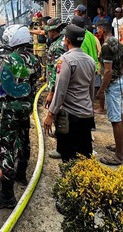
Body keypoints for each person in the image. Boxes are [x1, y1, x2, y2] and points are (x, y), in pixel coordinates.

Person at [0, 25, 41, 208]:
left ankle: (7, 195)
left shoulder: (9, 61)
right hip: (26, 108)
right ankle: (21, 174)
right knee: (24, 139)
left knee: (7, 146)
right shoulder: (35, 60)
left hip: (11, 109)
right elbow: (34, 84)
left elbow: (0, 89)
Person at [43, 24, 97, 162]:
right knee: (85, 154)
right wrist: (89, 106)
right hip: (86, 114)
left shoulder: (66, 60)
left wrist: (51, 114)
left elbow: (60, 90)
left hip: (70, 115)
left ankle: (70, 180)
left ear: (67, 40)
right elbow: (91, 89)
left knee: (68, 156)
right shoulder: (90, 61)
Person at [96, 19, 123, 166]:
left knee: (115, 120)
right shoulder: (117, 41)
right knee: (119, 116)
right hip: (120, 80)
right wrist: (121, 74)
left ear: (102, 29)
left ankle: (119, 156)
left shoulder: (107, 46)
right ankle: (122, 147)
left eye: (98, 29)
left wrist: (101, 90)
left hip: (113, 84)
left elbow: (107, 71)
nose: (97, 31)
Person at [43, 17, 67, 159]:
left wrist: (52, 92)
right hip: (56, 86)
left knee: (58, 114)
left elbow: (59, 72)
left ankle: (61, 148)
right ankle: (60, 136)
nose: (47, 34)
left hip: (57, 87)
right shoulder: (60, 42)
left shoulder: (58, 47)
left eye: (48, 31)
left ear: (53, 30)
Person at [72, 15, 102, 129]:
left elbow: (80, 56)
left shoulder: (80, 37)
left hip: (84, 70)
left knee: (82, 98)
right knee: (90, 98)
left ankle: (86, 123)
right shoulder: (91, 35)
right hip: (93, 69)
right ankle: (91, 122)